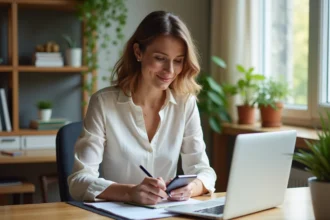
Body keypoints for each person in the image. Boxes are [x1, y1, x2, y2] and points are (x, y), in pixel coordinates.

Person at [68, 10, 216, 205]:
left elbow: (203, 171)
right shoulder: (103, 103)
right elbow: (78, 181)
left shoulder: (185, 103)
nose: (170, 71)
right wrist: (130, 192)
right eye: (160, 58)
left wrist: (192, 187)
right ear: (138, 52)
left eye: (178, 61)